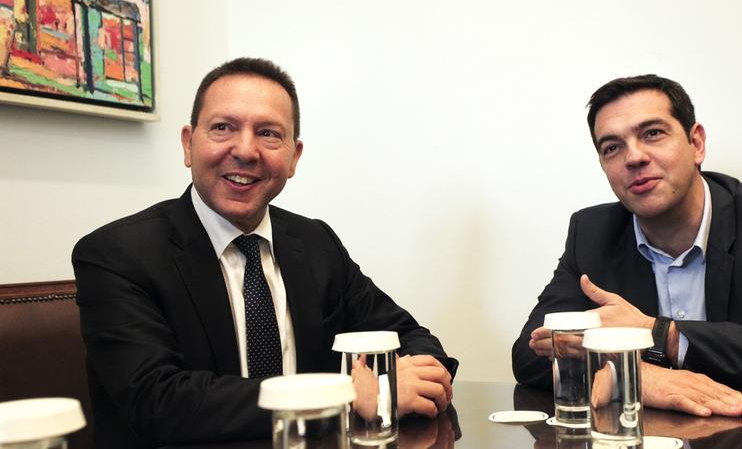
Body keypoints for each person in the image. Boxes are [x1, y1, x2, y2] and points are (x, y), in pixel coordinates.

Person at [73, 58, 457, 448]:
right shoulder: (117, 255)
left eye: (268, 133)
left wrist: (396, 386)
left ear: (294, 157)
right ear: (188, 144)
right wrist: (346, 395)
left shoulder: (316, 243)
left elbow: (410, 337)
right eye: (223, 127)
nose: (245, 150)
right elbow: (159, 402)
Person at [511, 74, 742, 417]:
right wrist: (632, 375)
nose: (634, 157)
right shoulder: (592, 234)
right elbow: (530, 357)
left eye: (652, 133)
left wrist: (660, 335)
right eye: (612, 148)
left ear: (696, 144)